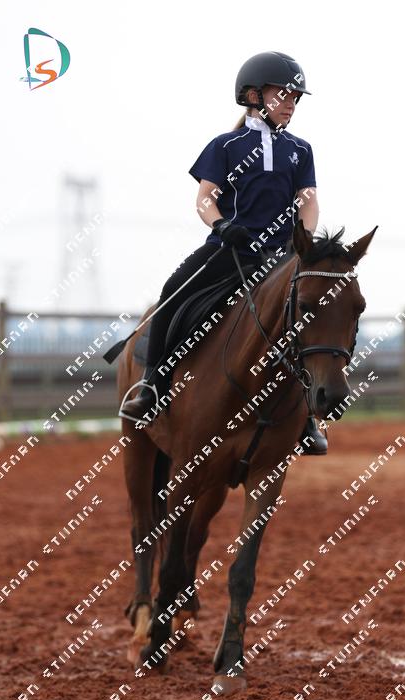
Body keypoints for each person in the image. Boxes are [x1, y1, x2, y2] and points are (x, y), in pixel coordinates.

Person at [120, 51, 327, 454]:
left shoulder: (300, 150)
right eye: (284, 94)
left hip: (279, 257)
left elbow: (309, 200)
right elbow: (205, 198)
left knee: (313, 318)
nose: (291, 103)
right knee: (172, 292)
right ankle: (152, 386)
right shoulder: (225, 145)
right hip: (229, 250)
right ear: (253, 95)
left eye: (295, 98)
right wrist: (221, 225)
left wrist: (303, 239)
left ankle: (306, 417)